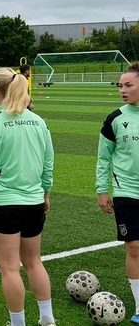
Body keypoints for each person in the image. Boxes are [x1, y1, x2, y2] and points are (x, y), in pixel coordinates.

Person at [0, 67, 56, 326]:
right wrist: (45, 194)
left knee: (9, 267)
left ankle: (19, 323)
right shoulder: (39, 121)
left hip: (2, 206)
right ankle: (47, 319)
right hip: (33, 203)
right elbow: (47, 165)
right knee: (33, 262)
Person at [96, 62, 139, 325]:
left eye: (128, 85)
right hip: (126, 190)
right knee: (134, 247)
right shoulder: (114, 119)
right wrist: (102, 190)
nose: (122, 90)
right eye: (120, 86)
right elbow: (103, 158)